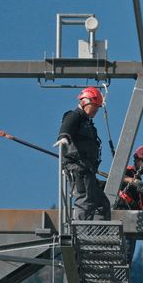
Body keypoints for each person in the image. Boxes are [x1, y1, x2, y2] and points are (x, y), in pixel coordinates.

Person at [53, 87, 111, 221]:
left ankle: (99, 232)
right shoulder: (75, 116)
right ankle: (81, 229)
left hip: (88, 169)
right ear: (85, 102)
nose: (96, 109)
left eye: (98, 107)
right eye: (95, 106)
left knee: (103, 203)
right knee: (86, 198)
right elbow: (68, 125)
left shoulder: (88, 124)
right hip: (79, 168)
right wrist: (64, 137)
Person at [115, 145, 143, 265]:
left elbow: (142, 205)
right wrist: (134, 181)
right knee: (122, 250)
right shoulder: (128, 171)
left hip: (131, 221)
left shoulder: (140, 185)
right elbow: (117, 176)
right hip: (122, 213)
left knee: (128, 254)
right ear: (137, 159)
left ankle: (124, 268)